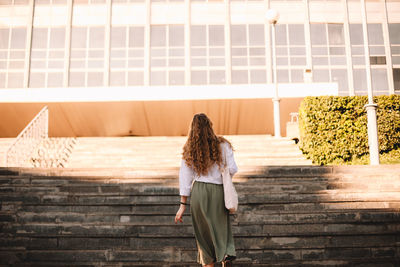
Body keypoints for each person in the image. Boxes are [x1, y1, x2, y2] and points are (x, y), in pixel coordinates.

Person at [174, 113, 237, 267]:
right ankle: (225, 253)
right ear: (210, 126)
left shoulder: (190, 149)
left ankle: (209, 260)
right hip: (218, 191)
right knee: (220, 230)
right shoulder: (223, 145)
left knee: (203, 237)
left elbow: (185, 177)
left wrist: (182, 205)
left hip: (199, 193)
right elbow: (233, 169)